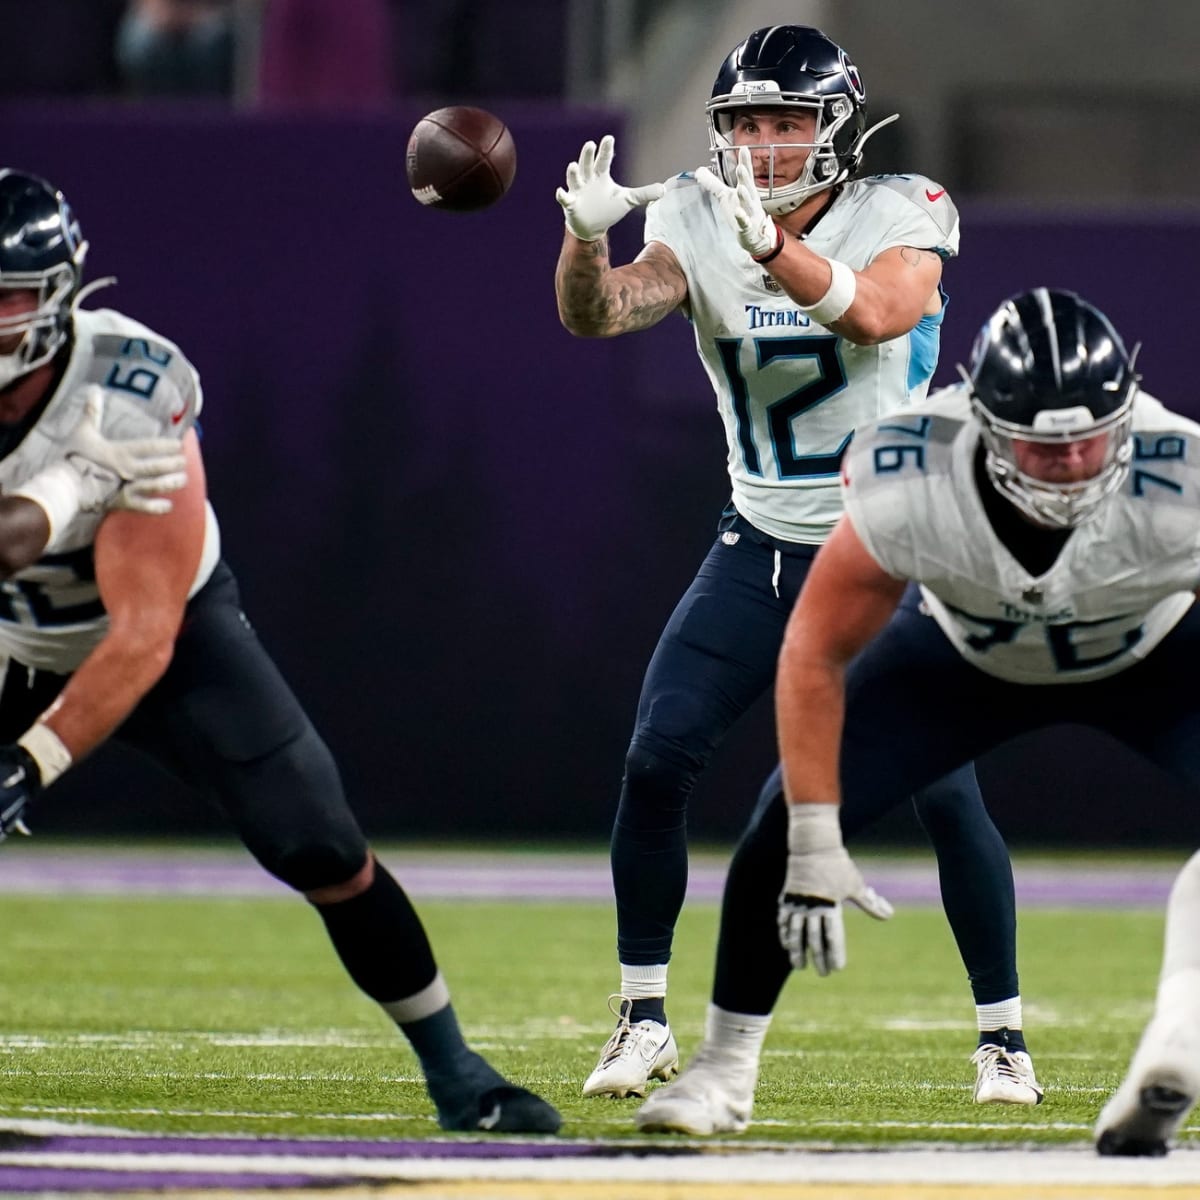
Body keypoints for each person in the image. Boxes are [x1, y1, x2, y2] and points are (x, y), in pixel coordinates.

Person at [0, 168, 560, 1135]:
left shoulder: (131, 386)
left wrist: (28, 762)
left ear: (58, 296)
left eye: (5, 297)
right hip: (9, 628)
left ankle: (458, 1072)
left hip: (166, 638)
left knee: (322, 844)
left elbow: (143, 637)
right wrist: (59, 494)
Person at [555, 24, 1034, 1106]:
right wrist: (585, 242)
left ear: (836, 127)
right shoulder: (694, 213)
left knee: (946, 797)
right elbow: (601, 314)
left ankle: (1003, 1037)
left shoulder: (905, 210)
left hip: (886, 551)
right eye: (746, 123)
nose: (764, 145)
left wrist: (768, 248)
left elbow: (876, 312)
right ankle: (640, 1019)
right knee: (654, 757)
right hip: (757, 544)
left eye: (786, 121)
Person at [636, 286, 1200, 1153]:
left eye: (1092, 440)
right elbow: (815, 650)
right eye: (1047, 449)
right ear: (985, 423)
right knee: (782, 825)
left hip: (1153, 658)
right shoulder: (913, 469)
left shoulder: (1182, 477)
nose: (1075, 465)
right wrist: (820, 836)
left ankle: (1179, 1036)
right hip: (962, 658)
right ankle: (723, 1068)